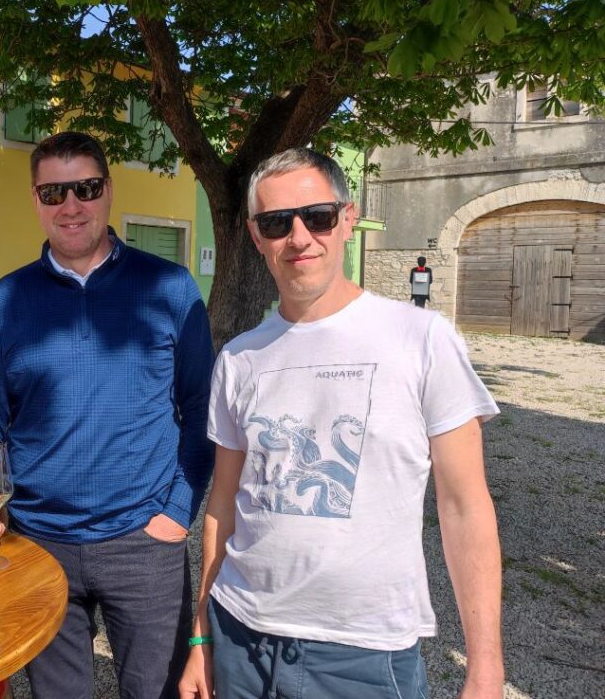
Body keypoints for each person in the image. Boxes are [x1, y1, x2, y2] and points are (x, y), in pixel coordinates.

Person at [179, 149, 503, 699]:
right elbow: (223, 505)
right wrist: (201, 635)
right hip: (240, 638)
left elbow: (465, 506)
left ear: (348, 219)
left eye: (318, 216)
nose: (299, 237)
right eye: (276, 223)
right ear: (256, 236)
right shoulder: (238, 358)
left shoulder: (422, 339)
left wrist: (486, 669)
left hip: (363, 655)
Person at [0, 131, 215, 699]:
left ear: (108, 191)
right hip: (37, 542)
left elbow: (202, 409)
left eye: (86, 188)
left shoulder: (168, 288)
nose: (71, 205)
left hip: (143, 542)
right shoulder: (6, 299)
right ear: (36, 200)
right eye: (54, 193)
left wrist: (178, 510)